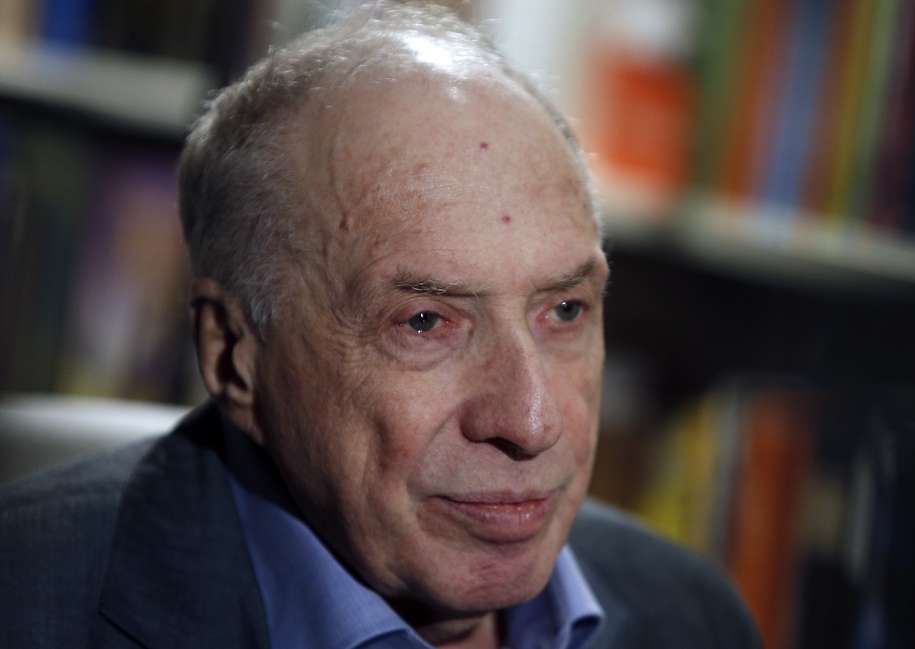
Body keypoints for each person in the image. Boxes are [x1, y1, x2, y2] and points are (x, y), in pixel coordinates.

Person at [0, 3, 759, 648]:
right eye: (426, 322)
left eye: (564, 310)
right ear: (233, 356)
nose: (532, 422)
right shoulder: (28, 606)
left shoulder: (690, 614)